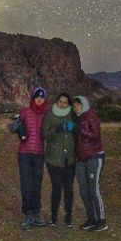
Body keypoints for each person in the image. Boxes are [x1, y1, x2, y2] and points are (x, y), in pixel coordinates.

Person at [72, 95, 107, 232]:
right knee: (84, 191)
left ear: (84, 104)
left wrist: (79, 130)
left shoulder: (91, 116)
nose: (76, 108)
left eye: (78, 105)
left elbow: (95, 135)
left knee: (93, 190)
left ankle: (101, 221)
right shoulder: (77, 118)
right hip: (81, 158)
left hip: (94, 156)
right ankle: (92, 219)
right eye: (74, 106)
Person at [42, 92, 77, 228]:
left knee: (68, 188)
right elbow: (44, 134)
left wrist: (74, 128)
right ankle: (53, 217)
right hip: (53, 158)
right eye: (60, 102)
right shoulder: (50, 115)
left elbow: (78, 132)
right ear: (56, 102)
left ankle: (68, 217)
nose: (62, 104)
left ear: (68, 104)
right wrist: (56, 129)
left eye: (65, 102)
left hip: (70, 158)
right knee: (57, 187)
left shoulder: (72, 115)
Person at [16, 86, 48, 229]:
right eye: (37, 97)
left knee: (37, 184)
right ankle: (28, 214)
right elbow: (15, 127)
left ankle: (36, 213)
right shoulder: (25, 112)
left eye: (42, 97)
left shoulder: (47, 114)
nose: (39, 99)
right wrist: (14, 126)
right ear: (33, 98)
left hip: (39, 154)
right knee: (26, 184)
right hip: (24, 154)